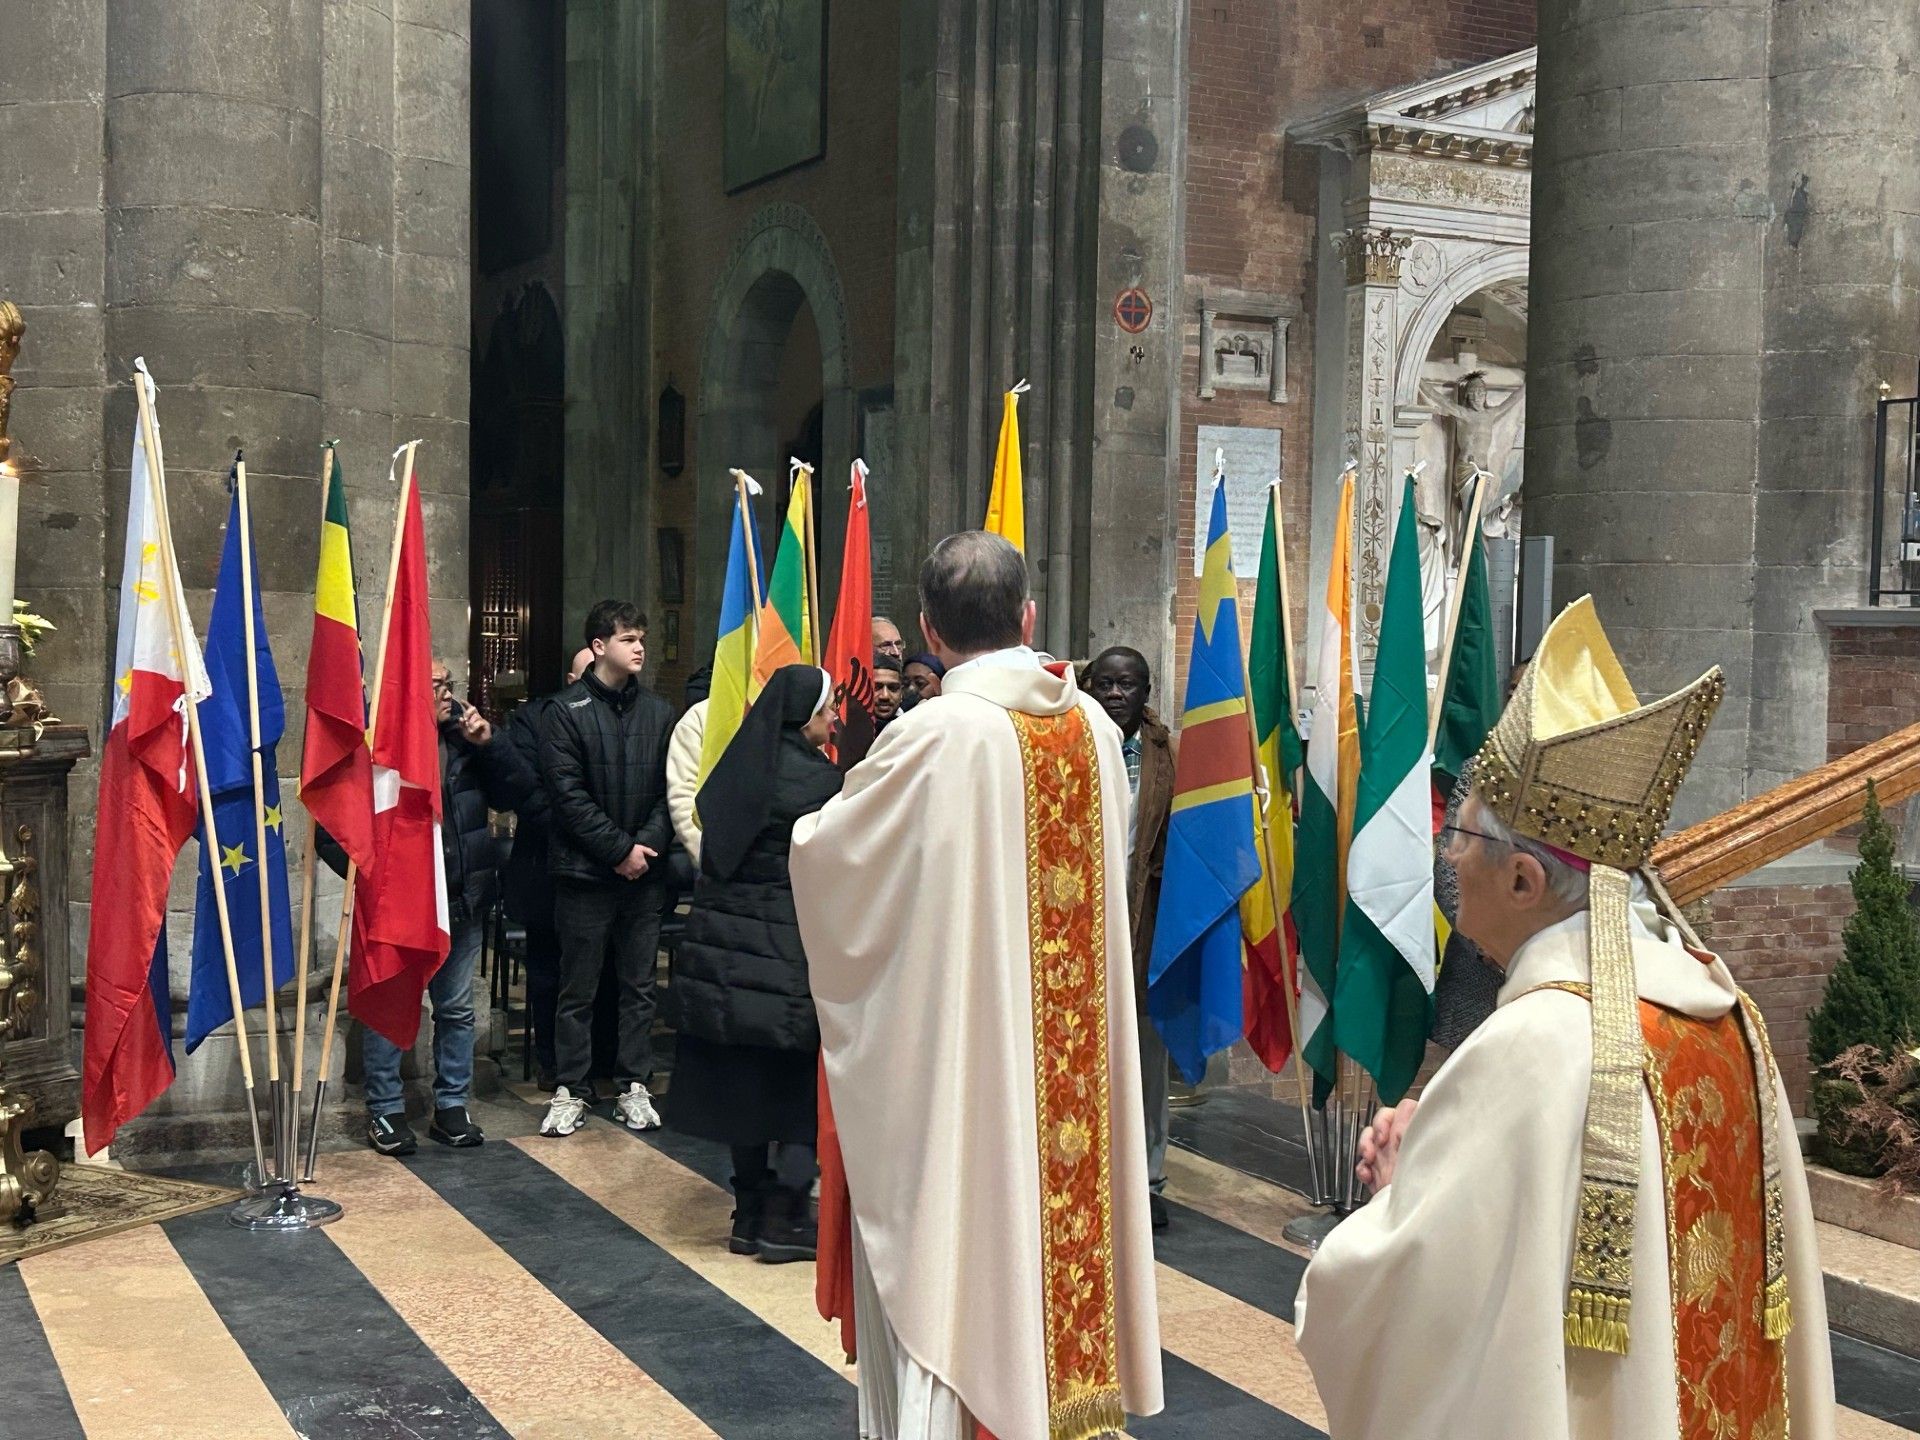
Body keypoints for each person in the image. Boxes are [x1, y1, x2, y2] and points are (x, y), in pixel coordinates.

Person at [1294, 596, 1836, 1440]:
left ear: (1524, 881)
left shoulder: (1536, 1044)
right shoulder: (1723, 1012)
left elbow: (1417, 1305)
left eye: (1459, 839)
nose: (1448, 858)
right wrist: (1444, 1139)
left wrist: (1398, 1192)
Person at [791, 532, 1162, 1440]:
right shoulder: (1094, 732)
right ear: (1028, 617)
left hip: (968, 1062)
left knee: (957, 1247)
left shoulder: (934, 736)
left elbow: (829, 857)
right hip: (1067, 1077)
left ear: (928, 629)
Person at [668, 665, 842, 1264]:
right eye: (827, 709)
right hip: (786, 956)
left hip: (721, 953)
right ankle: (786, 1218)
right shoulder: (821, 784)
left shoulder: (733, 772)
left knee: (742, 1089)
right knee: (795, 1092)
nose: (834, 719)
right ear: (804, 716)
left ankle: (746, 1214)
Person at [353, 660, 536, 1155]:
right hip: (398, 904)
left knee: (455, 1009)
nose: (449, 695)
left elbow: (519, 791)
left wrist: (490, 743)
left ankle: (452, 1105)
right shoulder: (378, 747)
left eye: (451, 685)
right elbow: (338, 831)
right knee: (390, 1004)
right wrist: (370, 881)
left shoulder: (463, 741)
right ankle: (386, 1109)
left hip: (460, 897)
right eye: (438, 685)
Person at [537, 600, 677, 1138]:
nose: (639, 647)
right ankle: (571, 1087)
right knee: (578, 988)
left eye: (641, 638)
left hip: (645, 874)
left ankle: (634, 1084)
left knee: (639, 987)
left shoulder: (659, 712)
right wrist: (620, 851)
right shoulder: (564, 711)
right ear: (598, 646)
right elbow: (568, 798)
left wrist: (646, 847)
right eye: (627, 639)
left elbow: (670, 790)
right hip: (585, 874)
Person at [1083, 645, 1176, 1231]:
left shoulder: (1169, 755)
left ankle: (1147, 1180)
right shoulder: (1068, 744)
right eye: (1106, 683)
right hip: (1078, 917)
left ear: (1146, 692)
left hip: (1145, 920)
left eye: (1128, 684)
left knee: (1145, 1057)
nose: (1116, 694)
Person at [501, 646, 594, 1091]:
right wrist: (580, 826)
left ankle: (596, 1059)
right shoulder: (533, 720)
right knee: (547, 970)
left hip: (601, 865)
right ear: (571, 680)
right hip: (545, 864)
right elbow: (524, 788)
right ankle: (551, 1060)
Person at [666, 663, 711, 870]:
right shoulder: (698, 718)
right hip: (713, 860)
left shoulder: (783, 717)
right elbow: (681, 796)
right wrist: (707, 858)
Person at [870, 655, 905, 732]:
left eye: (893, 688)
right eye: (876, 687)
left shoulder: (913, 730)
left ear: (901, 693)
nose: (885, 696)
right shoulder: (846, 731)